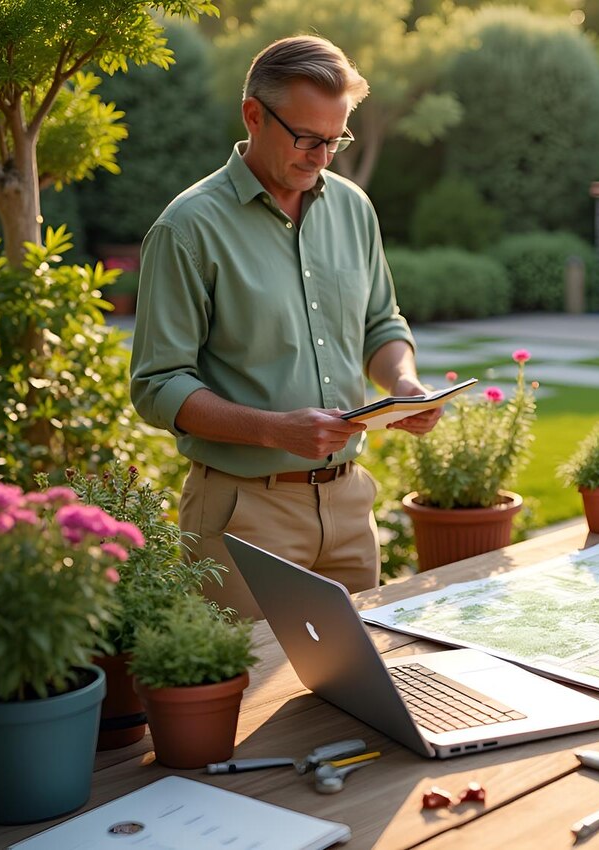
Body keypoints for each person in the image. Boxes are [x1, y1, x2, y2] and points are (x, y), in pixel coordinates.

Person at [130, 36, 439, 619]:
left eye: (335, 139)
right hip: (244, 515)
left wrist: (403, 383)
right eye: (307, 138)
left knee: (355, 698)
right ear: (253, 115)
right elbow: (158, 385)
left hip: (350, 508)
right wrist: (276, 430)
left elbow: (381, 322)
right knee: (243, 702)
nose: (322, 156)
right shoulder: (187, 228)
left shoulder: (354, 208)